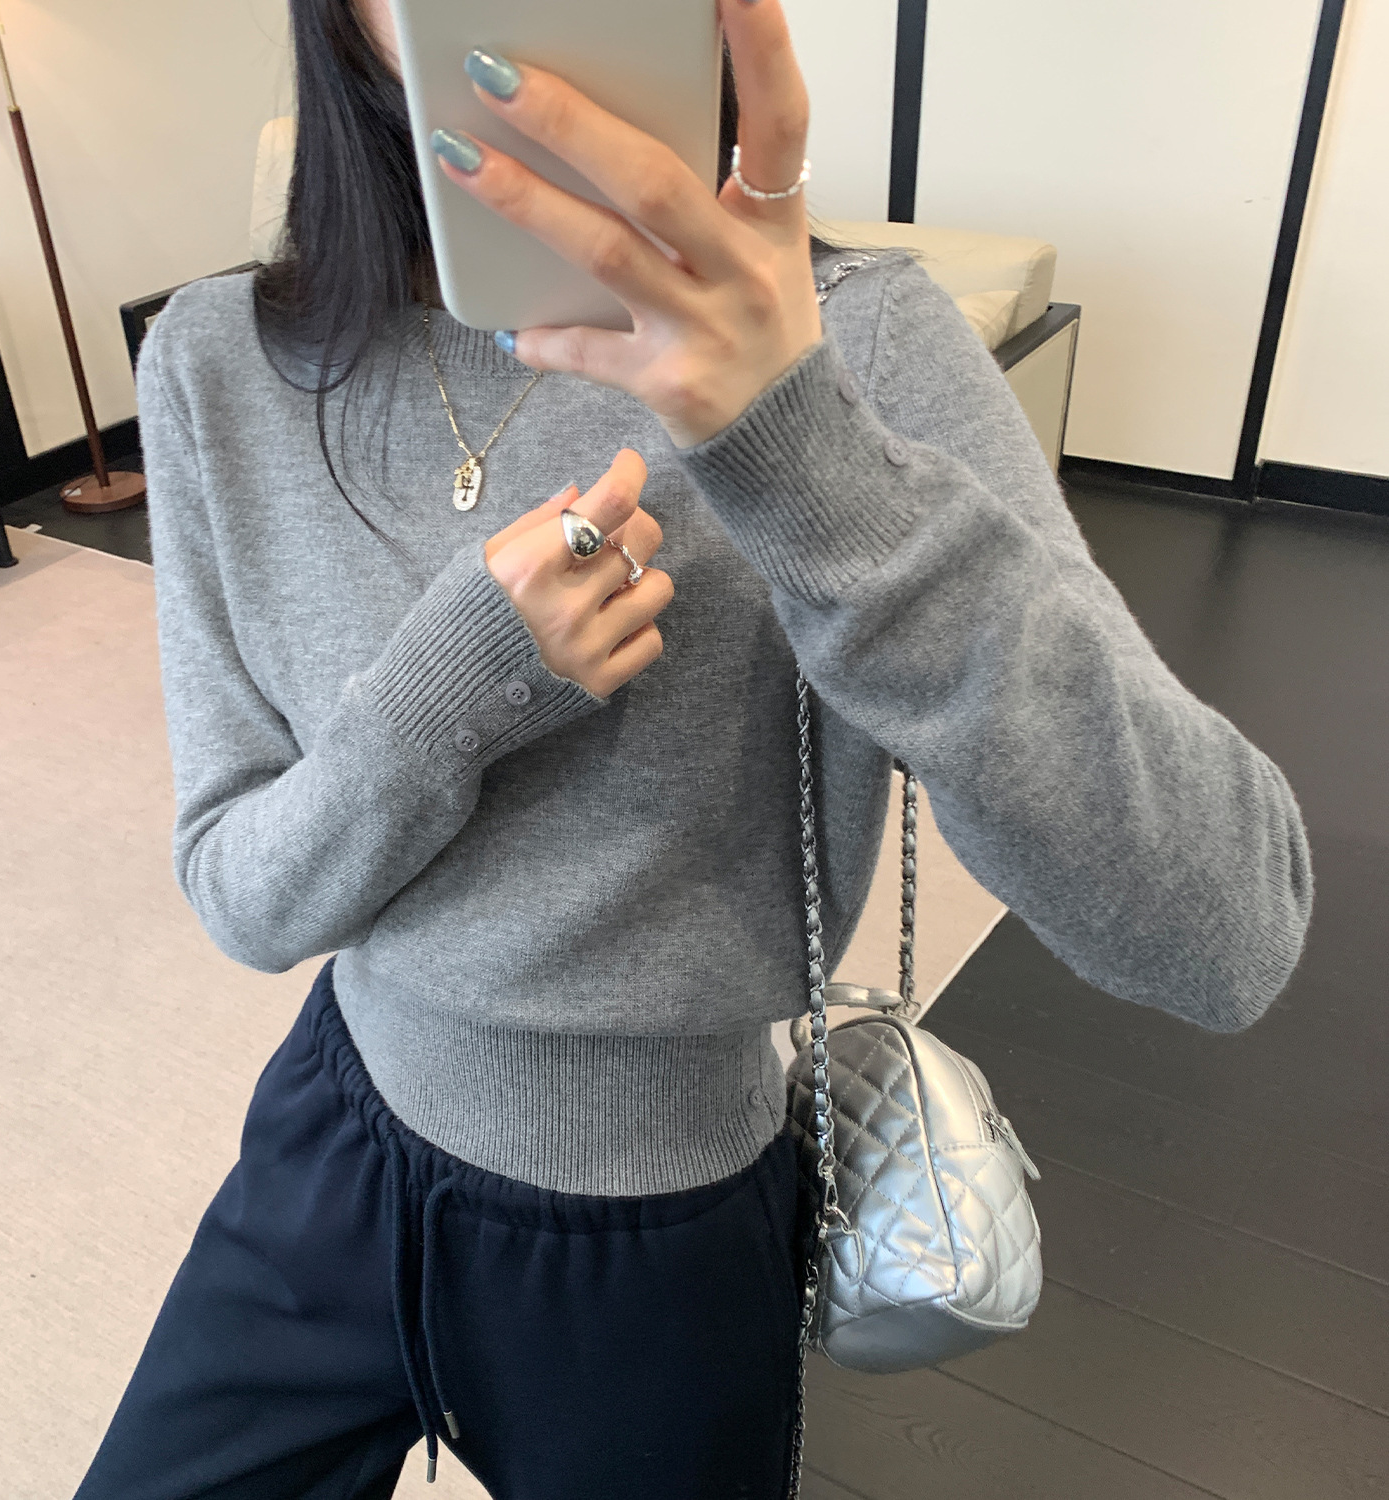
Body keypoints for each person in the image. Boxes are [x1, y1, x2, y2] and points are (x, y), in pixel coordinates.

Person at [71, 0, 1314, 1496]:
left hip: (662, 1239)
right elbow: (243, 894)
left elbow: (1226, 929)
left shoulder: (854, 344)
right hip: (332, 1142)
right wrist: (449, 692)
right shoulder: (217, 361)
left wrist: (800, 450)